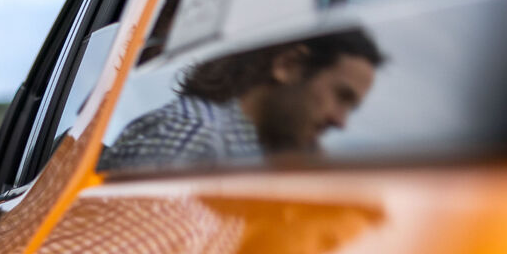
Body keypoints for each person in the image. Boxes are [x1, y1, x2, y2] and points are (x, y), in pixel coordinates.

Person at [99, 28, 383, 172]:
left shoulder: (245, 153)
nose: (340, 121)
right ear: (289, 65)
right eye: (340, 96)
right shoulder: (196, 135)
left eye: (351, 107)